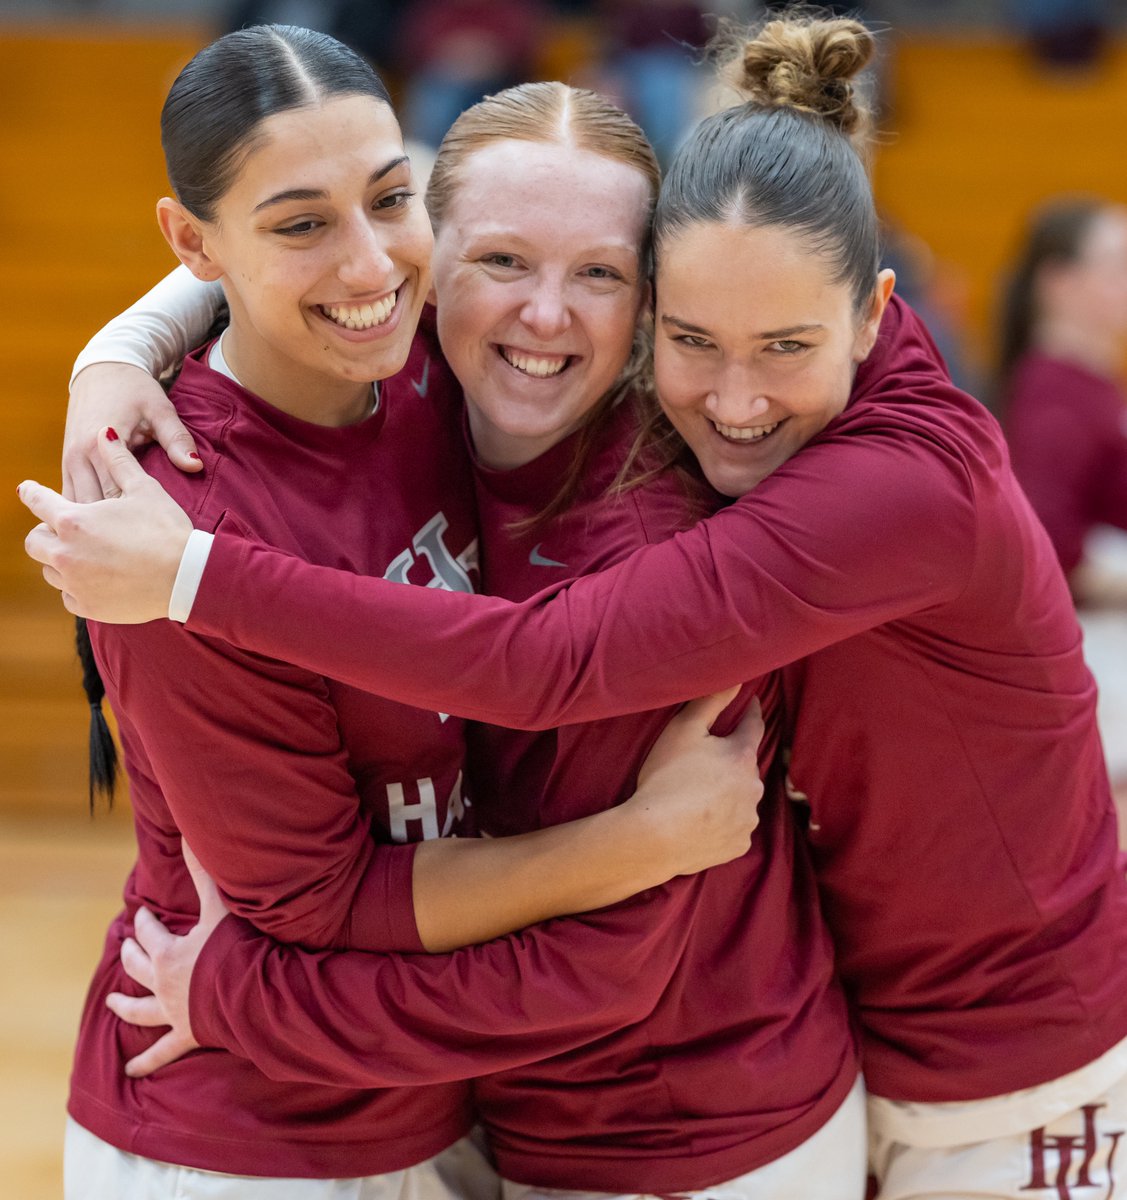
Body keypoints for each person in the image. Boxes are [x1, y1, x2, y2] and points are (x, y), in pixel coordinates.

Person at [24, 12, 1127, 1199]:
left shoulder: (811, 494)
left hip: (974, 1066)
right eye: (700, 340)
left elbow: (547, 681)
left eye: (600, 274)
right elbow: (312, 236)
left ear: (866, 315)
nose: (738, 398)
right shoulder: (409, 379)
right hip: (558, 1103)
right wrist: (123, 351)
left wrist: (191, 577)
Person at [26, 24, 777, 1200]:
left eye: (389, 201)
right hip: (238, 1125)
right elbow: (324, 904)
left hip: (441, 1107)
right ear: (193, 241)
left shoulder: (434, 355)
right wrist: (629, 846)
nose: (371, 264)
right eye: (301, 225)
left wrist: (113, 348)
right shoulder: (163, 528)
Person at [998, 198, 1127, 808]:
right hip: (1099, 659)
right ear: (1059, 279)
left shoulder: (1090, 384)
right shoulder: (1051, 396)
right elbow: (1048, 547)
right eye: (1116, 264)